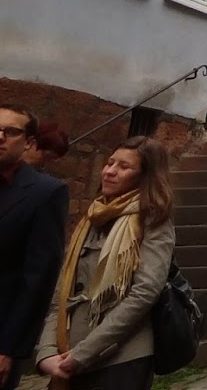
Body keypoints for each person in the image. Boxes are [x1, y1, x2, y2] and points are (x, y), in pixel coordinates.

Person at [34, 136, 176, 390]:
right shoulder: (93, 216)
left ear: (144, 177)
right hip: (68, 352)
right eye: (109, 163)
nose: (109, 171)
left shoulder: (153, 221)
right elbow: (62, 293)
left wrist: (84, 354)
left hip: (118, 360)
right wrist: (46, 352)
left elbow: (145, 293)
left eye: (124, 167)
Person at [0, 105, 68, 390]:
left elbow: (37, 281)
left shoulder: (45, 193)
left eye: (10, 132)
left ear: (28, 142)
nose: (0, 136)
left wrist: (9, 349)